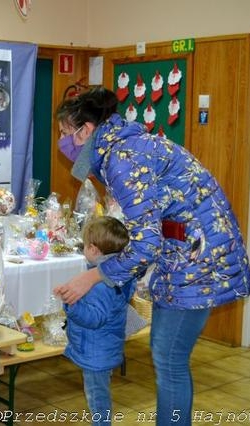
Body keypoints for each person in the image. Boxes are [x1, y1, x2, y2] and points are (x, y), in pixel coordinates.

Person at [52, 87, 250, 426]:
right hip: (187, 253)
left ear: (86, 130)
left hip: (198, 259)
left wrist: (94, 275)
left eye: (65, 133)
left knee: (169, 358)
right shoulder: (123, 147)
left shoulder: (121, 158)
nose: (62, 142)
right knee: (168, 356)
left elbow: (146, 243)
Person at [62, 216, 133, 425]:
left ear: (93, 250)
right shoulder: (119, 274)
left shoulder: (99, 284)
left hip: (96, 351)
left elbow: (95, 318)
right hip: (105, 345)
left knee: (97, 398)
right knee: (99, 392)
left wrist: (71, 303)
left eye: (84, 245)